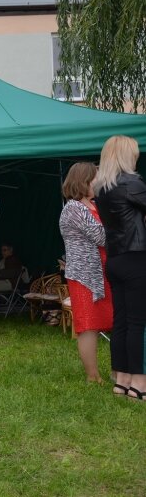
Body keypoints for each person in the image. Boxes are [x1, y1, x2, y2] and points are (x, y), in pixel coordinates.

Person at [93, 135, 146, 399]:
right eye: (135, 153)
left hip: (114, 259)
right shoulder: (132, 183)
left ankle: (121, 380)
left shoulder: (101, 188)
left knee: (122, 321)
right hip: (136, 257)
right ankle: (138, 383)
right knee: (137, 322)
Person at [59, 162, 113, 383]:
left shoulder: (94, 205)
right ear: (83, 181)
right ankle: (93, 376)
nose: (99, 183)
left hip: (104, 273)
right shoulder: (73, 208)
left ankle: (115, 371)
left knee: (110, 320)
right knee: (88, 325)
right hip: (85, 276)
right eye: (95, 179)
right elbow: (101, 236)